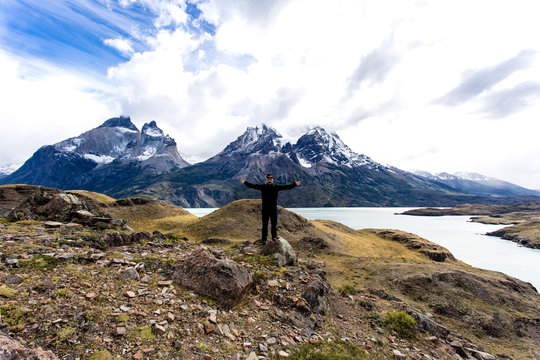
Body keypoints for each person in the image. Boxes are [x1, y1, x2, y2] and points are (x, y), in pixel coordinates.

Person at [241, 174, 301, 244]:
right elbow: (254, 186)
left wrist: (294, 184)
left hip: (273, 208)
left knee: (274, 224)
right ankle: (264, 239)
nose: (270, 179)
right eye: (269, 178)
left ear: (273, 179)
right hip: (265, 209)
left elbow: (286, 187)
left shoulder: (276, 187)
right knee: (265, 225)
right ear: (267, 179)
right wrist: (245, 182)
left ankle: (274, 237)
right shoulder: (263, 187)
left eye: (271, 178)